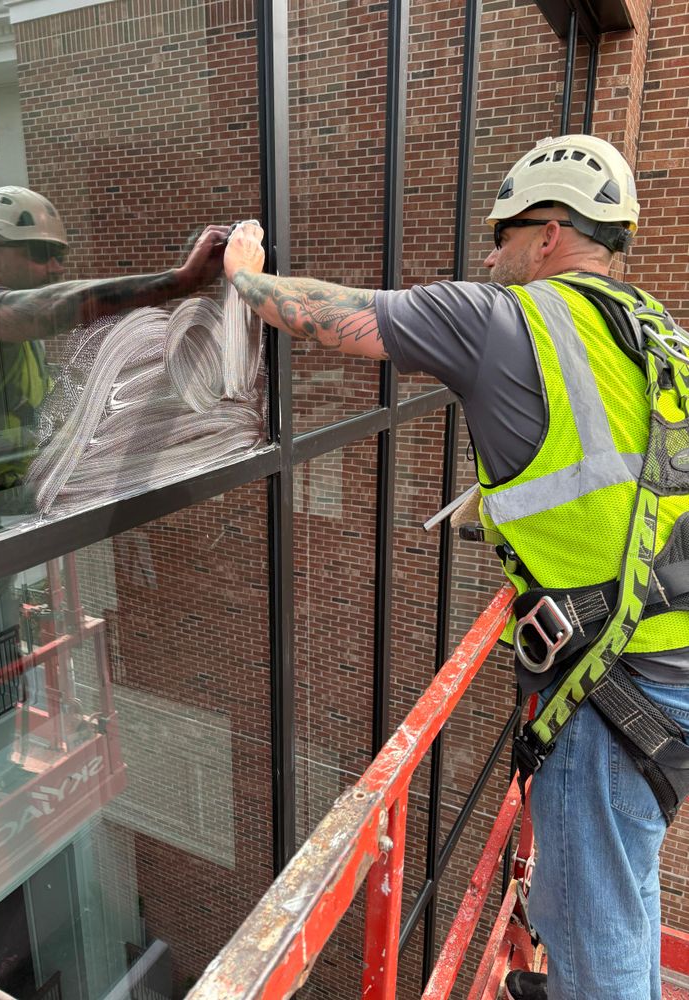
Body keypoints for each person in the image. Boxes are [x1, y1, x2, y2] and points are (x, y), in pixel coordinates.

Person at [222, 135, 689, 1000]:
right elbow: (632, 483)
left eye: (503, 234)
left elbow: (330, 313)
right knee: (612, 874)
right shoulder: (659, 337)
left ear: (549, 233)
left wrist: (243, 274)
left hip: (617, 685)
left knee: (601, 923)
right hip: (670, 663)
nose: (489, 253)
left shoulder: (504, 317)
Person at [0, 185, 229, 808]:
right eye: (38, 253)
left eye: (58, 254)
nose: (55, 266)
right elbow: (50, 307)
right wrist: (176, 284)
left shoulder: (8, 344)